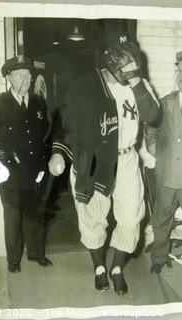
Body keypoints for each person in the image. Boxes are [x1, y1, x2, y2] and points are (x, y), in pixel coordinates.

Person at [48, 32, 159, 295]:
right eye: (127, 67)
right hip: (93, 161)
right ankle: (99, 268)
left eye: (135, 67)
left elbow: (153, 115)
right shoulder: (86, 85)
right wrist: (58, 153)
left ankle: (118, 268)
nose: (132, 72)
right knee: (93, 218)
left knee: (132, 217)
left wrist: (136, 82)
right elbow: (65, 123)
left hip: (127, 157)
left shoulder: (138, 84)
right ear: (113, 65)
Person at [0, 55, 52, 273]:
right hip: (10, 172)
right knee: (12, 216)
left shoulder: (39, 102)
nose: (26, 79)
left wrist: (44, 161)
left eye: (28, 75)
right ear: (9, 77)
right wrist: (6, 158)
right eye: (20, 75)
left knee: (35, 213)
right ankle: (13, 261)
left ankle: (36, 254)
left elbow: (46, 133)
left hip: (35, 171)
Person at [145, 51, 182, 274]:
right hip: (168, 173)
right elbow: (151, 129)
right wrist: (153, 148)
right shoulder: (165, 103)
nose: (181, 76)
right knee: (162, 219)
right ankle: (158, 257)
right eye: (179, 71)